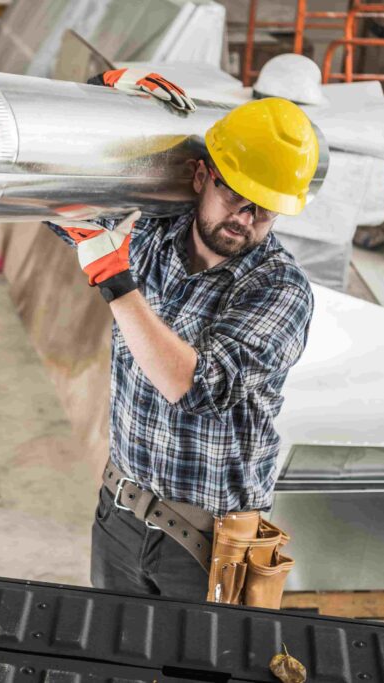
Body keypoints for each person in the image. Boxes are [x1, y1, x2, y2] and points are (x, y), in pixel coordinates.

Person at [48, 69, 319, 601]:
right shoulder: (150, 233)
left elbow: (194, 386)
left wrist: (116, 282)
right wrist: (101, 92)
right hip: (119, 515)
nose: (247, 217)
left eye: (266, 208)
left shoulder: (280, 289)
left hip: (206, 548)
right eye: (235, 193)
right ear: (201, 176)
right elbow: (53, 186)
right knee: (106, 646)